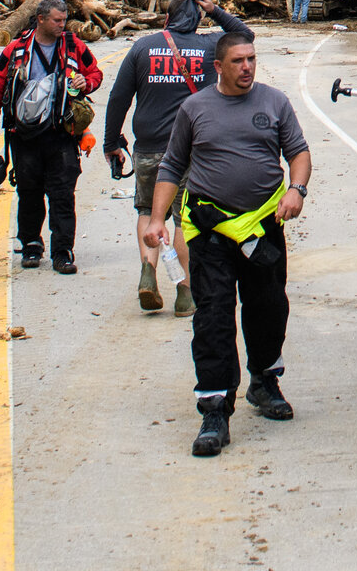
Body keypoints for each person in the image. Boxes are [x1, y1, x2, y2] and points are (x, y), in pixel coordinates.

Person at [145, 33, 312, 459]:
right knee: (214, 315)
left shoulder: (273, 102)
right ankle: (215, 409)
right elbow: (171, 165)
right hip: (211, 231)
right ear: (218, 66)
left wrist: (297, 189)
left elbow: (298, 152)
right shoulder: (195, 108)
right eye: (238, 61)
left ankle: (264, 381)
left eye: (252, 59)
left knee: (269, 308)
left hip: (262, 228)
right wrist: (157, 218)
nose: (247, 67)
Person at [103, 0, 250, 315]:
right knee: (186, 219)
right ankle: (185, 292)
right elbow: (245, 37)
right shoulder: (211, 47)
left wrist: (111, 141)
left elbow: (119, 97)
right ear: (198, 19)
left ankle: (148, 271)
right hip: (192, 149)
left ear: (167, 19)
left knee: (146, 211)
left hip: (149, 147)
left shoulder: (143, 47)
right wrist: (217, 11)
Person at [0, 0, 103, 274]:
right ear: (41, 20)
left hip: (61, 134)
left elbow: (95, 73)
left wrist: (87, 82)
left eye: (64, 19)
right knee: (29, 191)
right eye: (57, 20)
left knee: (62, 194)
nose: (62, 25)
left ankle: (62, 252)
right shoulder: (15, 49)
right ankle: (31, 245)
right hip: (24, 136)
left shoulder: (74, 46)